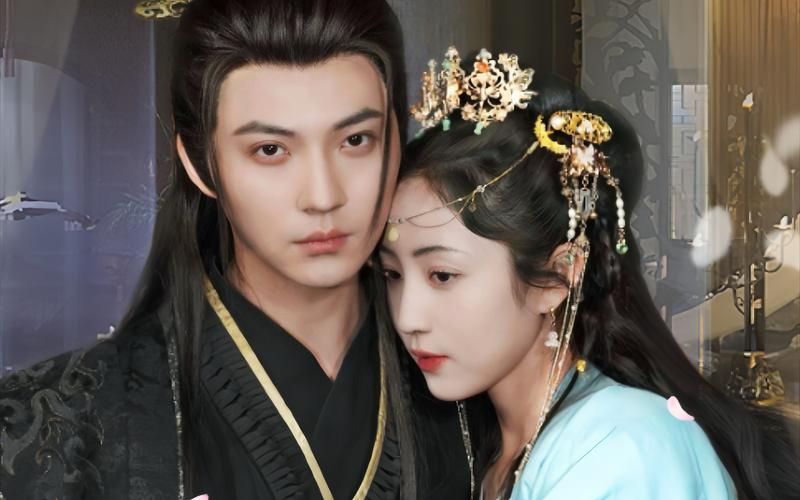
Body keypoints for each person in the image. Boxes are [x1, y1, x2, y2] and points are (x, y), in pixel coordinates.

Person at [0, 1, 469, 498]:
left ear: (397, 140)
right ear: (199, 164)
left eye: (356, 140)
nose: (323, 196)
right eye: (270, 150)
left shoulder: (473, 391)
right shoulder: (55, 427)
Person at [379, 46, 800, 499]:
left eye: (442, 275)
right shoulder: (495, 442)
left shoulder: (623, 448)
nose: (407, 317)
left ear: (557, 277)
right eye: (392, 275)